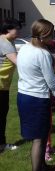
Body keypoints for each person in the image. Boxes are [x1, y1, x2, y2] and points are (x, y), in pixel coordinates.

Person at [17, 19, 55, 171]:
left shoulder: (24, 48)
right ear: (43, 35)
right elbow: (51, 82)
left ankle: (42, 167)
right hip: (37, 99)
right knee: (39, 138)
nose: (53, 37)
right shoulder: (42, 53)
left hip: (24, 95)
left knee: (43, 134)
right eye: (52, 34)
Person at [0, 18, 21, 152]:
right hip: (0, 85)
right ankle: (1, 144)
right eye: (16, 29)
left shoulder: (7, 41)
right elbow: (19, 63)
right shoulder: (5, 43)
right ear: (8, 29)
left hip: (3, 85)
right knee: (1, 115)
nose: (18, 31)